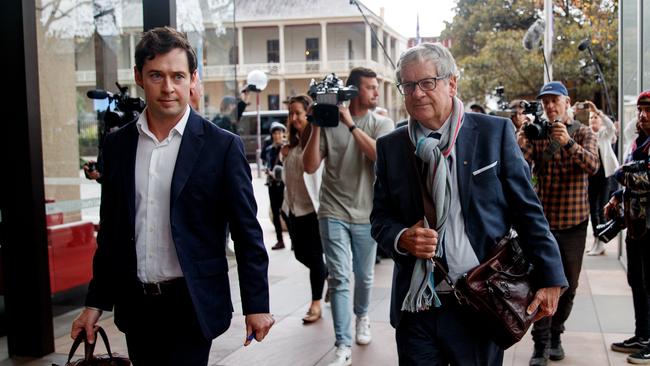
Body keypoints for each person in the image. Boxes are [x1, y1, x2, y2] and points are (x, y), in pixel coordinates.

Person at [70, 27, 274, 366]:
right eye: (156, 75)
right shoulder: (118, 146)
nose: (168, 88)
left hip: (193, 303)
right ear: (138, 77)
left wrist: (257, 304)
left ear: (192, 79)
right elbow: (112, 233)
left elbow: (247, 231)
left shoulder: (221, 146)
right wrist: (96, 303)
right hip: (136, 306)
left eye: (178, 76)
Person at [371, 42, 567, 366]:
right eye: (408, 85)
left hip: (481, 300)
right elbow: (379, 217)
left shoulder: (493, 132)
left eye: (427, 83)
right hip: (417, 304)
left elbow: (528, 211)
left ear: (452, 83)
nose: (417, 93)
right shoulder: (391, 147)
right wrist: (402, 237)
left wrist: (551, 277)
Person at [303, 67, 394, 366]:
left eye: (376, 88)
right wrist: (317, 124)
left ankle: (362, 316)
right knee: (340, 277)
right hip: (333, 210)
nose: (376, 93)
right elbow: (310, 166)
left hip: (367, 213)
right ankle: (342, 345)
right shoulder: (328, 125)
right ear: (354, 90)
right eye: (370, 87)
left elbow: (379, 155)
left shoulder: (382, 123)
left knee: (365, 277)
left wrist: (352, 125)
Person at [517, 81, 599, 365]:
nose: (550, 106)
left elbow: (592, 166)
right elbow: (518, 165)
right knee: (540, 282)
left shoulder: (584, 132)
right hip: (543, 225)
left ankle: (557, 332)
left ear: (567, 102)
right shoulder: (539, 134)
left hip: (575, 223)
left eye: (555, 101)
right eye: (545, 102)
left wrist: (568, 143)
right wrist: (521, 135)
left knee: (569, 286)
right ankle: (540, 344)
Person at [606, 91, 650, 364]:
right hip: (635, 225)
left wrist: (626, 173)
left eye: (648, 110)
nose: (643, 115)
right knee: (637, 280)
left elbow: (641, 177)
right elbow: (630, 176)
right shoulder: (637, 143)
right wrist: (617, 196)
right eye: (641, 110)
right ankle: (642, 334)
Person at [281, 94, 328, 324]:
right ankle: (328, 274)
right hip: (293, 210)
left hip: (312, 210)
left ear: (308, 114)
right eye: (291, 113)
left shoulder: (314, 143)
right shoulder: (292, 145)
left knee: (313, 257)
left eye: (298, 113)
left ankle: (316, 303)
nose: (293, 118)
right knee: (301, 254)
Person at [581, 100, 619, 255]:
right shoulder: (586, 134)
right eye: (590, 118)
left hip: (604, 176)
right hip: (591, 177)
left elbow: (611, 127)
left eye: (595, 117)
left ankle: (601, 241)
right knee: (592, 210)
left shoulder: (604, 134)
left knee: (601, 208)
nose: (593, 120)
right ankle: (597, 240)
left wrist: (598, 111)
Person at [264, 121, 287, 250]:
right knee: (275, 212)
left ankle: (294, 240)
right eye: (275, 133)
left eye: (280, 133)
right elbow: (267, 162)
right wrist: (269, 171)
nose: (277, 136)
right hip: (272, 184)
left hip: (283, 184)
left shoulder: (285, 148)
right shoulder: (269, 149)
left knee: (285, 212)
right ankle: (280, 240)